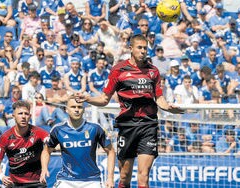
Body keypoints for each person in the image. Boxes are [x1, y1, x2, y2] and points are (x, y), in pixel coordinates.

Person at [75, 34, 183, 187]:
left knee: (143, 178)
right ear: (131, 48)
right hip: (127, 126)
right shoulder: (118, 70)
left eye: (145, 48)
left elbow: (159, 99)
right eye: (140, 47)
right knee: (124, 177)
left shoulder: (153, 71)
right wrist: (88, 99)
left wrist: (168, 108)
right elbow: (104, 99)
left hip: (148, 125)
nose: (143, 51)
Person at [40, 98, 115, 188]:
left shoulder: (95, 128)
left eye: (79, 107)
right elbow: (46, 151)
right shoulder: (58, 129)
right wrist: (44, 168)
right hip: (66, 180)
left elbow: (111, 152)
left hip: (91, 180)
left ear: (83, 109)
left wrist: (110, 178)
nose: (76, 110)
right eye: (73, 107)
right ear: (66, 109)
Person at [0, 100, 49, 187]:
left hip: (37, 182)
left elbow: (53, 145)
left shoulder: (38, 132)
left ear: (30, 116)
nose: (23, 117)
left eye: (26, 114)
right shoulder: (5, 137)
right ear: (13, 116)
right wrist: (2, 176)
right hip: (16, 184)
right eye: (20, 113)